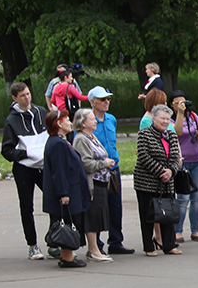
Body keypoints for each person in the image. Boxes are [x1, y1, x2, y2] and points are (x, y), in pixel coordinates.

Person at [0, 81, 50, 259]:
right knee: (27, 207)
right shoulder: (12, 120)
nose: (27, 98)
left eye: (28, 94)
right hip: (24, 169)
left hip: (44, 167)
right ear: (15, 98)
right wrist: (26, 153)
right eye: (22, 96)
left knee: (56, 201)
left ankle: (54, 241)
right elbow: (7, 150)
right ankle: (33, 245)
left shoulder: (41, 112)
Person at [83, 87, 133, 255]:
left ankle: (116, 241)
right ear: (92, 102)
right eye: (102, 99)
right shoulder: (87, 121)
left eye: (108, 99)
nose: (106, 102)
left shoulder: (111, 119)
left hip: (113, 169)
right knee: (98, 207)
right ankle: (96, 244)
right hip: (97, 170)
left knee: (115, 206)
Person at [42, 108, 92, 269]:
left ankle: (66, 256)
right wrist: (63, 193)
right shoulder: (57, 144)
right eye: (67, 120)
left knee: (69, 222)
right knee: (68, 223)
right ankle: (67, 257)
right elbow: (60, 170)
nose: (70, 123)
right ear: (58, 123)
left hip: (71, 189)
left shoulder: (58, 141)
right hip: (68, 191)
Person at [133, 103, 183, 258]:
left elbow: (175, 156)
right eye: (162, 118)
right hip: (147, 182)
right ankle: (149, 246)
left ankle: (169, 245)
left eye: (168, 119)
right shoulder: (144, 134)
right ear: (154, 119)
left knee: (168, 214)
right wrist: (161, 171)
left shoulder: (171, 135)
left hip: (167, 182)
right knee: (147, 215)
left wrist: (171, 171)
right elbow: (144, 156)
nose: (165, 122)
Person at [71, 108, 115, 263]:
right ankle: (93, 250)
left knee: (97, 216)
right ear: (83, 123)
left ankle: (95, 248)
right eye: (91, 119)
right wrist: (105, 163)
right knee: (92, 217)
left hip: (101, 182)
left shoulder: (92, 137)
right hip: (92, 183)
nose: (95, 121)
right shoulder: (81, 139)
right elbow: (86, 164)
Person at [168, 90, 198, 243]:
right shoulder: (170, 119)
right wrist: (180, 113)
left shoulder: (193, 116)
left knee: (197, 197)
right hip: (181, 162)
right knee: (182, 199)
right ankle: (178, 231)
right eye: (177, 103)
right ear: (172, 105)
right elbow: (177, 132)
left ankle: (195, 230)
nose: (181, 105)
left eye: (183, 102)